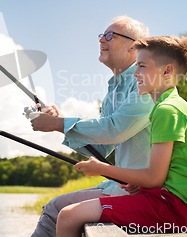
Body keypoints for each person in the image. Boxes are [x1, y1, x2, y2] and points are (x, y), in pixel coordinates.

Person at [56, 36, 187, 237]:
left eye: (141, 67)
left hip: (175, 209)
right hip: (174, 204)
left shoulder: (167, 110)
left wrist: (102, 169)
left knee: (68, 215)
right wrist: (138, 185)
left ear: (167, 71)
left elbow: (153, 178)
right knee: (71, 214)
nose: (135, 74)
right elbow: (163, 175)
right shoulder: (170, 106)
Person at [30, 16, 154, 237]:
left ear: (133, 47)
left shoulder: (146, 82)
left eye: (109, 36)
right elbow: (101, 148)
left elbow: (116, 129)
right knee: (53, 208)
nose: (101, 41)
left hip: (142, 189)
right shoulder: (113, 91)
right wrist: (60, 124)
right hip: (122, 186)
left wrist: (60, 123)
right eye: (101, 36)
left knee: (54, 210)